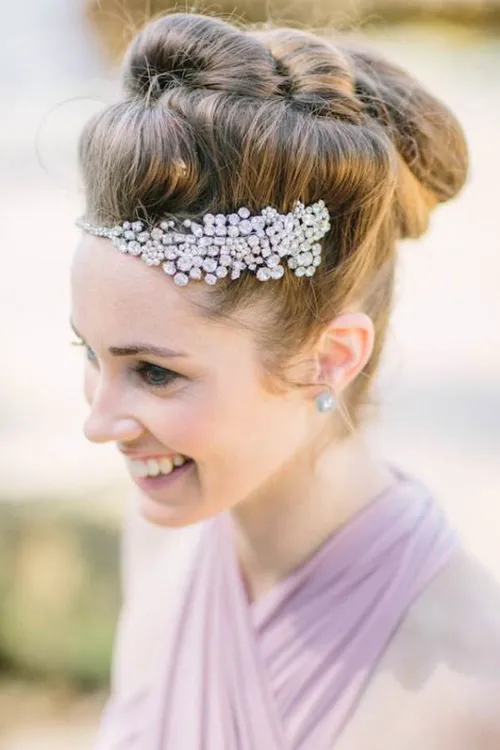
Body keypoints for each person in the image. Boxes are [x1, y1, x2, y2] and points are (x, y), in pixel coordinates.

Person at [70, 12, 500, 749]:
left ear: (328, 358)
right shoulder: (161, 543)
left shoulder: (471, 683)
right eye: (91, 355)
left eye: (154, 372)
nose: (100, 421)